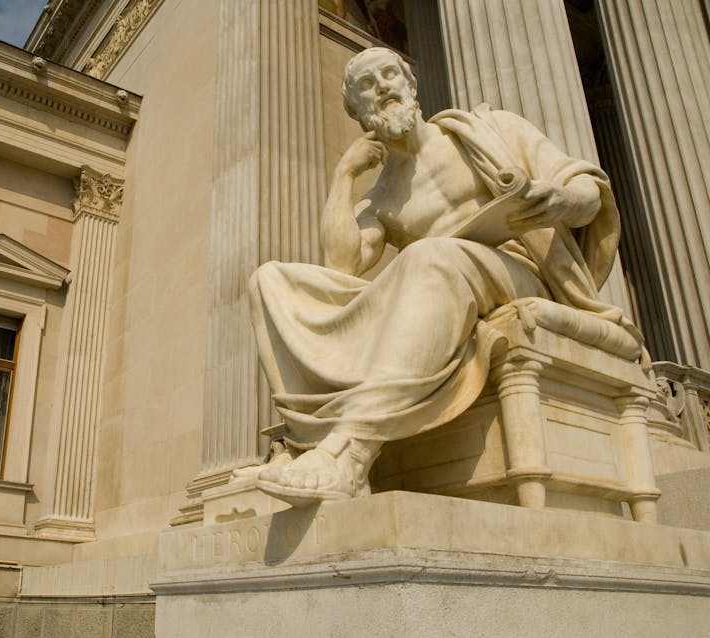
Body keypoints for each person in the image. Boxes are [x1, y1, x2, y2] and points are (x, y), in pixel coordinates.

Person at [248, 47, 637, 507]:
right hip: (445, 279)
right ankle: (310, 439)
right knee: (269, 280)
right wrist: (344, 175)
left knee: (429, 255)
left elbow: (588, 192)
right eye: (367, 85)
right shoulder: (382, 198)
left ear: (411, 84)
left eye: (390, 74)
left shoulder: (491, 131)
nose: (383, 87)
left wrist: (558, 201)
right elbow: (341, 266)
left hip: (522, 273)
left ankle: (349, 453)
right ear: (358, 112)